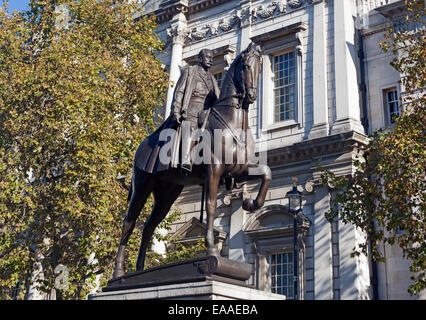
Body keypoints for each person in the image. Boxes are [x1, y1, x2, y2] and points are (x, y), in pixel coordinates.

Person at [170, 49, 220, 174]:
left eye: (212, 57)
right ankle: (186, 159)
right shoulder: (189, 71)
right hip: (191, 107)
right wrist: (176, 110)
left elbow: (217, 97)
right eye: (207, 57)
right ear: (200, 58)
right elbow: (180, 91)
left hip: (207, 111)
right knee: (190, 126)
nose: (210, 59)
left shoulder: (212, 79)